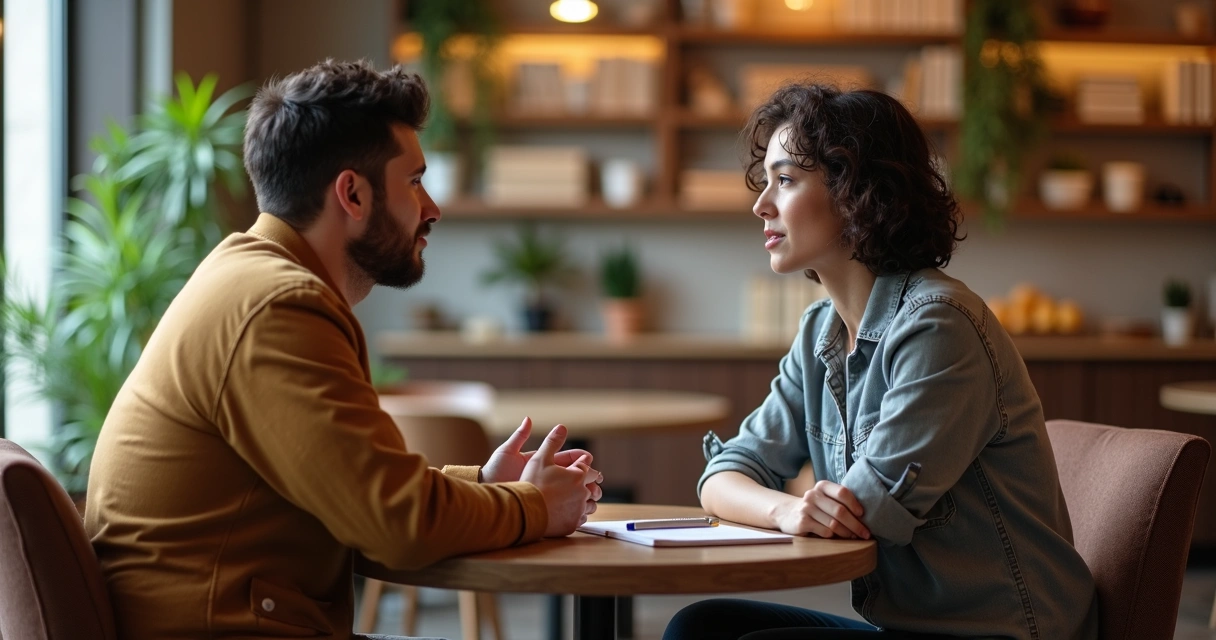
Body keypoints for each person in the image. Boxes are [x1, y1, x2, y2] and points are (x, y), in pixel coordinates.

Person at [84, 60, 603, 640]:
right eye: (414, 181)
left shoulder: (246, 278)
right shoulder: (279, 307)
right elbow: (396, 525)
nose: (432, 207)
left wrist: (482, 483)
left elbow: (357, 488)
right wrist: (534, 506)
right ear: (352, 193)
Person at [663, 84, 1098, 640]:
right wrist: (785, 510)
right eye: (766, 180)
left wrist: (794, 503)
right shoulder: (819, 332)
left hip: (1002, 632)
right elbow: (724, 474)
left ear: (855, 191)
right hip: (909, 628)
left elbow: (862, 515)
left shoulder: (939, 325)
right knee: (702, 626)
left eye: (786, 180)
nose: (761, 205)